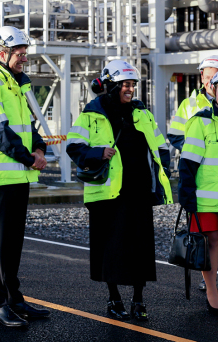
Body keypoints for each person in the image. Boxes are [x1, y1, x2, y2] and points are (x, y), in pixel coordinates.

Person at [67, 59, 173, 321]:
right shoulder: (91, 113)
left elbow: (161, 147)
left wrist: (162, 173)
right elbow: (73, 145)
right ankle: (114, 298)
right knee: (110, 249)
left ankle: (138, 299)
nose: (130, 89)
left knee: (140, 248)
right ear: (111, 85)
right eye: (125, 84)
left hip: (138, 192)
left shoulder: (142, 113)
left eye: (133, 85)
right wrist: (97, 152)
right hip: (106, 194)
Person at [0, 26, 50, 328]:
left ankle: (15, 300)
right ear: (2, 53)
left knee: (13, 243)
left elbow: (27, 126)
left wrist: (39, 148)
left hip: (19, 174)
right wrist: (30, 158)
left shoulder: (13, 85)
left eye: (25, 53)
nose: (24, 58)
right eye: (20, 53)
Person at [167, 55, 218, 292]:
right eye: (207, 77)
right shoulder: (189, 105)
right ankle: (208, 281)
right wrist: (196, 147)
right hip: (201, 177)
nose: (210, 82)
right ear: (201, 76)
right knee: (206, 238)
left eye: (213, 78)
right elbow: (175, 135)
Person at [178, 70, 218, 316]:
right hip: (207, 199)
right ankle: (213, 294)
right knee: (211, 244)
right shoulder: (201, 121)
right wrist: (187, 195)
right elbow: (188, 163)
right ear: (213, 90)